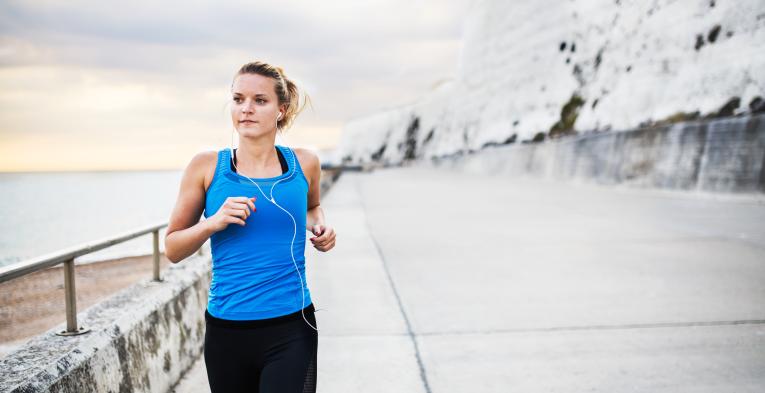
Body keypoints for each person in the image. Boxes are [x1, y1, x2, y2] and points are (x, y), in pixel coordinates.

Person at [164, 60, 336, 393]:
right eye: (238, 99)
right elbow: (172, 249)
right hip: (227, 330)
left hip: (292, 325)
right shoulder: (206, 167)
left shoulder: (304, 163)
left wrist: (321, 228)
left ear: (281, 110)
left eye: (260, 100)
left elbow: (312, 207)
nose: (246, 109)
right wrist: (212, 223)